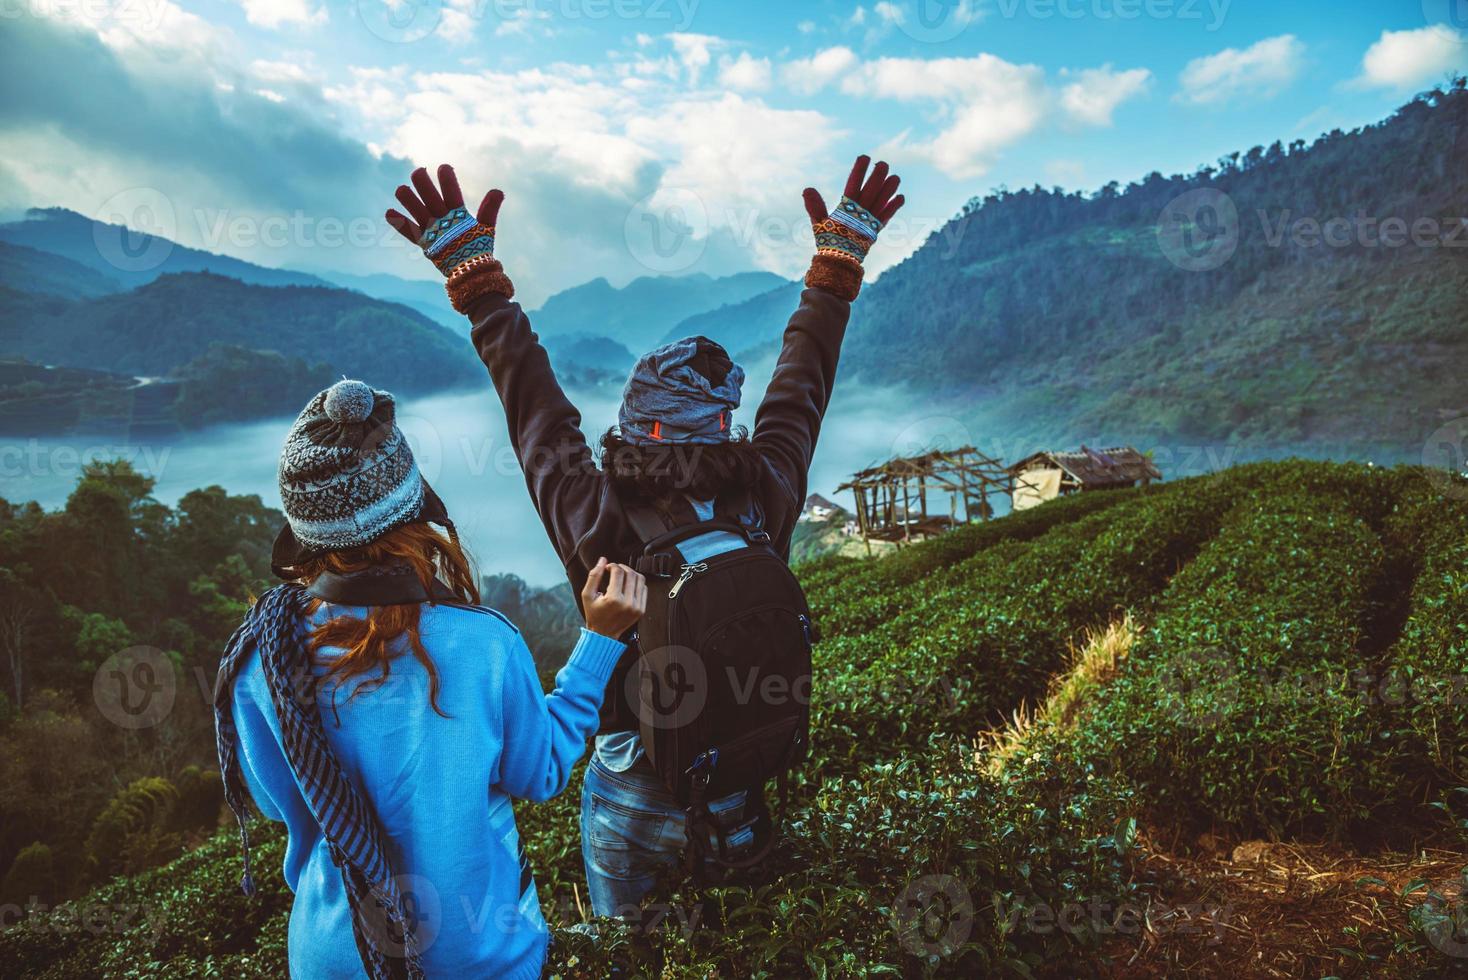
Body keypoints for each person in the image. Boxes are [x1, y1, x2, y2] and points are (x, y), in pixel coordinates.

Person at [384, 156, 905, 919]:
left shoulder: (595, 513)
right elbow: (800, 389)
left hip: (633, 786)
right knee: (741, 941)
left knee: (631, 955)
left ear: (643, 425)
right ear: (724, 424)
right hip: (738, 775)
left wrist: (477, 279)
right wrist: (836, 266)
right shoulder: (765, 489)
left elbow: (535, 409)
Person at [214, 378, 647, 979]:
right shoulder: (482, 644)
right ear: (412, 512)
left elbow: (273, 801)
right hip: (476, 952)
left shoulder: (261, 657)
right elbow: (540, 772)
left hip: (333, 956)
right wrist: (601, 641)